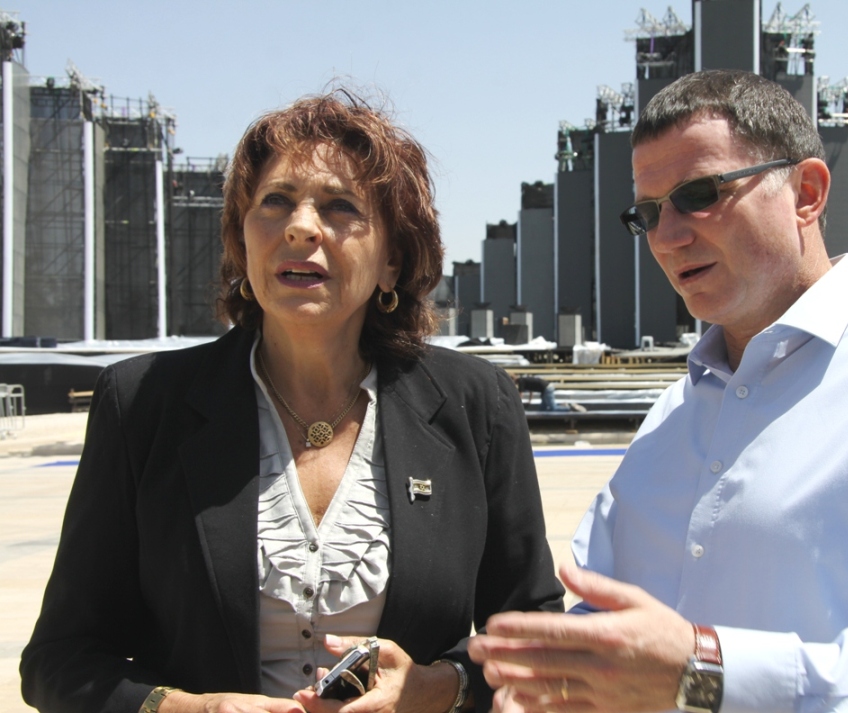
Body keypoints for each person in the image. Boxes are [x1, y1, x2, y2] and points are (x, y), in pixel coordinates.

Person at [469, 69, 848, 712]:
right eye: (649, 213)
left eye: (699, 194)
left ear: (807, 193)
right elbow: (612, 619)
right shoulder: (672, 414)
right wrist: (550, 684)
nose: (667, 238)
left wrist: (707, 674)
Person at [21, 89, 564, 713]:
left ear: (391, 261)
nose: (301, 226)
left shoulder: (476, 404)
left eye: (340, 207)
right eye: (275, 201)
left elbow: (534, 634)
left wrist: (436, 688)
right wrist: (185, 709)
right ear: (242, 240)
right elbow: (58, 660)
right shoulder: (141, 403)